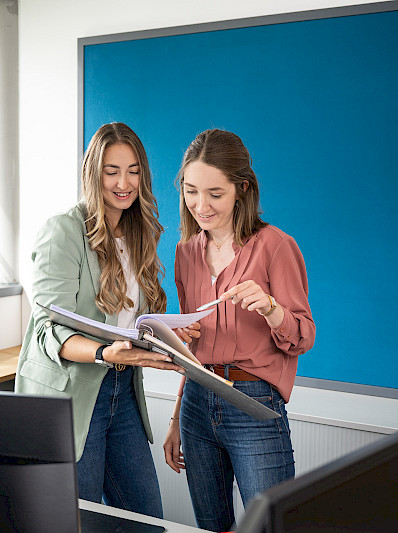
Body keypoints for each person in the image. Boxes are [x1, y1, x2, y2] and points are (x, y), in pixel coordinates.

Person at [15, 122, 181, 518]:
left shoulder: (138, 234)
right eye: (112, 171)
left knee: (147, 518)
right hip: (70, 397)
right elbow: (47, 331)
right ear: (94, 173)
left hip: (121, 390)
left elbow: (131, 321)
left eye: (133, 170)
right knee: (80, 520)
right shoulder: (63, 231)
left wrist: (170, 333)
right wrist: (107, 352)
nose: (124, 182)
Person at [163, 128, 316, 532]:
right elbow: (189, 347)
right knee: (213, 528)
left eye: (215, 193)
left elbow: (303, 335)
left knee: (270, 526)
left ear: (241, 188)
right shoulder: (185, 252)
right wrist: (177, 417)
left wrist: (270, 308)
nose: (201, 205)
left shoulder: (275, 246)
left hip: (253, 402)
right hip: (197, 400)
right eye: (191, 191)